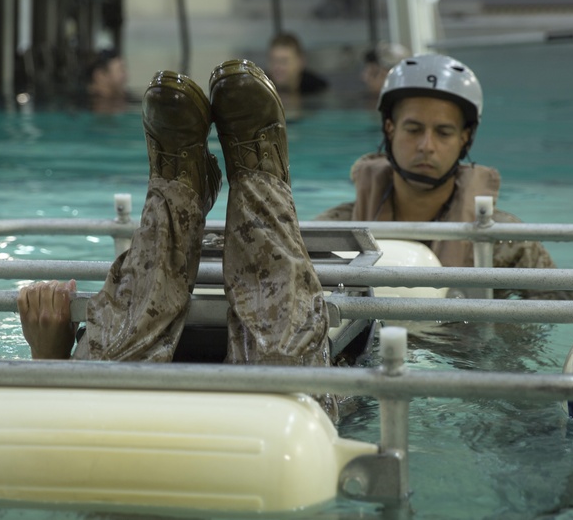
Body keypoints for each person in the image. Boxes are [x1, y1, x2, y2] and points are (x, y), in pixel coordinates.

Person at [18, 59, 338, 418]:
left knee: (114, 357)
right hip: (269, 442)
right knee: (282, 364)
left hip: (114, 436)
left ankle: (177, 195)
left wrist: (48, 359)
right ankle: (258, 182)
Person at [318, 53, 573, 301]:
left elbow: (564, 312)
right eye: (413, 129)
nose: (427, 146)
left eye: (443, 132)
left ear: (464, 139)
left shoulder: (505, 242)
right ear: (390, 129)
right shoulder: (335, 232)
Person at [83, 48, 131, 113]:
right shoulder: (81, 104)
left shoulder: (125, 98)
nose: (125, 76)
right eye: (120, 70)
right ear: (100, 75)